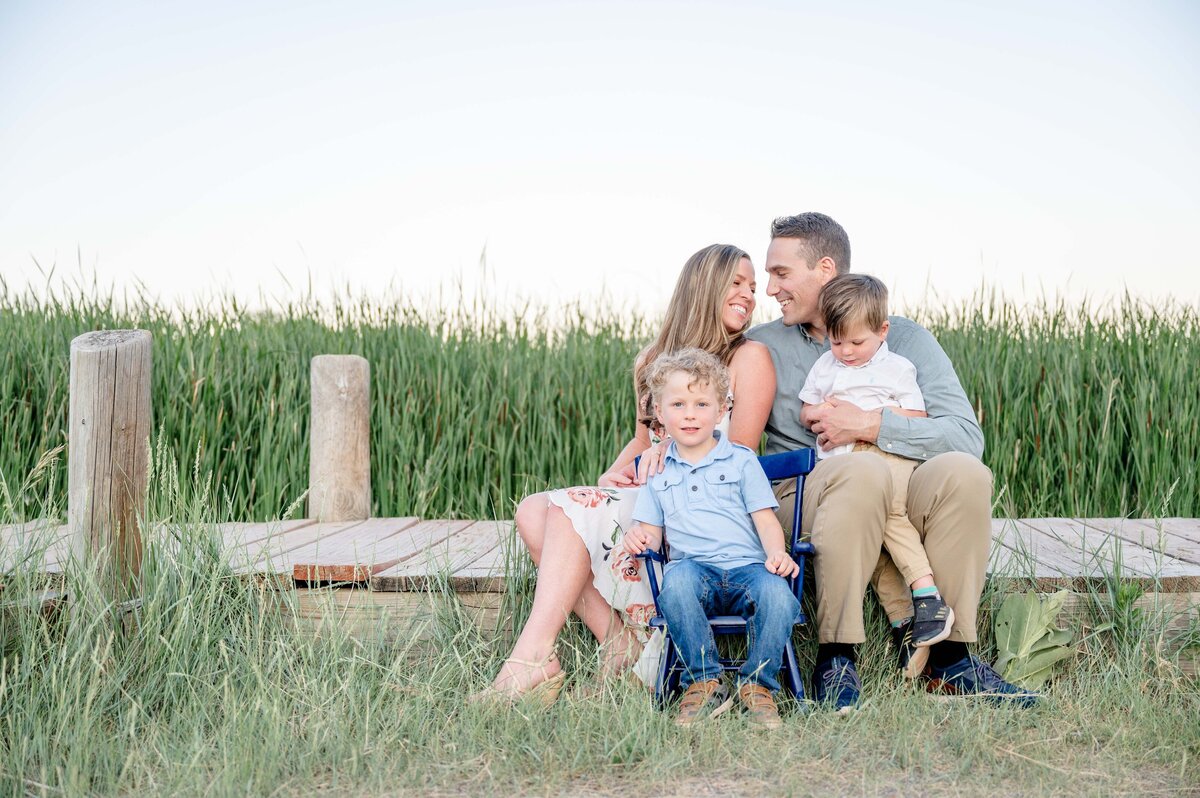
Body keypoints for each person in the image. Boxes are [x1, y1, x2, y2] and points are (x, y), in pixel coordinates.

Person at [745, 212, 1036, 710]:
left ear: (825, 269)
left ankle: (951, 659)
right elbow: (700, 412)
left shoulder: (903, 339)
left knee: (965, 473)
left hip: (900, 481)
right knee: (860, 471)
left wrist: (871, 424)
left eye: (781, 273)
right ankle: (836, 657)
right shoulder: (764, 346)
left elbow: (965, 435)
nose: (770, 288)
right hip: (811, 491)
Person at [473, 243, 776, 705]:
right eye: (737, 283)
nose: (749, 295)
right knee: (534, 511)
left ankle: (531, 659)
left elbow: (739, 454)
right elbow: (641, 442)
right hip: (650, 489)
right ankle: (616, 639)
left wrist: (667, 453)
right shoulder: (652, 359)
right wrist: (615, 474)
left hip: (703, 504)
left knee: (563, 511)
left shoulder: (749, 358)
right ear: (703, 286)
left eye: (753, 287)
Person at [622, 348, 799, 728]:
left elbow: (765, 520)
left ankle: (758, 683)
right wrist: (638, 538)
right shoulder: (658, 472)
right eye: (678, 404)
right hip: (693, 568)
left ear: (721, 411)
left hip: (749, 567)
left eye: (701, 403)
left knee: (778, 596)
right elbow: (652, 537)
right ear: (660, 413)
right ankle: (703, 680)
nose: (689, 414)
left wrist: (777, 555)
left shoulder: (740, 460)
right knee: (674, 587)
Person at [798, 273, 955, 668]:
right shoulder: (825, 366)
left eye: (857, 343)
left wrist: (866, 418)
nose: (846, 352)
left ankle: (928, 595)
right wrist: (820, 412)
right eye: (837, 342)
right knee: (873, 533)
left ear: (882, 331)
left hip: (886, 453)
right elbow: (806, 410)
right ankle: (905, 624)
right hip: (843, 464)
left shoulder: (897, 369)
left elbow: (916, 414)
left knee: (889, 513)